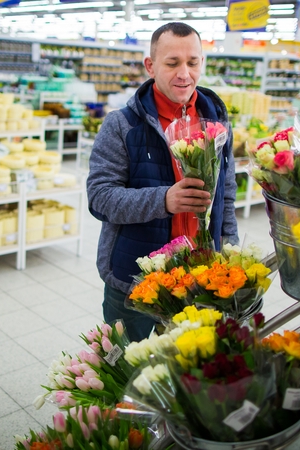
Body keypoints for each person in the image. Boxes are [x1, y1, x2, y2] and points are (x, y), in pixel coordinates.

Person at [86, 23, 238, 341]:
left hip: (199, 274)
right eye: (172, 63)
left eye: (193, 62)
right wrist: (164, 200)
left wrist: (230, 255)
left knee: (188, 373)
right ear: (151, 66)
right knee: (126, 370)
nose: (184, 73)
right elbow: (100, 197)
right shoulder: (121, 125)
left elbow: (226, 195)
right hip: (134, 277)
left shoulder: (218, 122)